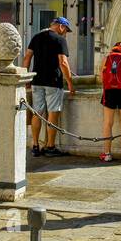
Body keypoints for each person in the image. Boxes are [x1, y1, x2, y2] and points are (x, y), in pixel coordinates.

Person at [23, 17, 74, 157]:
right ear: (61, 27)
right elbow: (63, 62)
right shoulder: (60, 40)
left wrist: (26, 77)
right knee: (53, 113)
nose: (65, 34)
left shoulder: (36, 37)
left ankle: (35, 145)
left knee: (37, 113)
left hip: (37, 80)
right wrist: (70, 82)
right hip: (53, 82)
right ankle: (50, 147)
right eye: (66, 31)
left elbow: (27, 58)